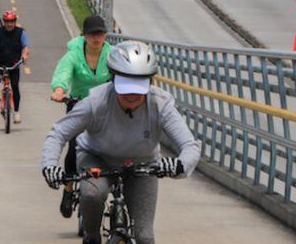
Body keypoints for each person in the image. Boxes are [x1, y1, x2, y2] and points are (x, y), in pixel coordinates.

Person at [41, 41, 201, 244]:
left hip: (143, 165)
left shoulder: (161, 104)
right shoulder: (96, 101)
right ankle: (91, 237)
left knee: (145, 236)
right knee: (92, 193)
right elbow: (58, 133)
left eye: (139, 87)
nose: (132, 95)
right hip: (97, 158)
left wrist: (179, 165)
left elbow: (190, 145)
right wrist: (50, 166)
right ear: (113, 79)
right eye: (125, 87)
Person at [50, 15, 114, 218]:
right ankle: (68, 189)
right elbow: (63, 73)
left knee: (114, 146)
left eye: (100, 33)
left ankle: (116, 190)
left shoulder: (112, 54)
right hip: (78, 105)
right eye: (92, 33)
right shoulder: (74, 54)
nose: (97, 37)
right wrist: (59, 90)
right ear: (84, 36)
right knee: (74, 147)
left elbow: (122, 74)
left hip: (105, 107)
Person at [0, 12, 30, 124]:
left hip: (14, 64)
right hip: (0, 62)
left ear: (15, 22)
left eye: (12, 22)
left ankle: (16, 112)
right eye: (7, 22)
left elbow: (26, 46)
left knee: (15, 87)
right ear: (4, 22)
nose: (9, 24)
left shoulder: (21, 33)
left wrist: (24, 55)